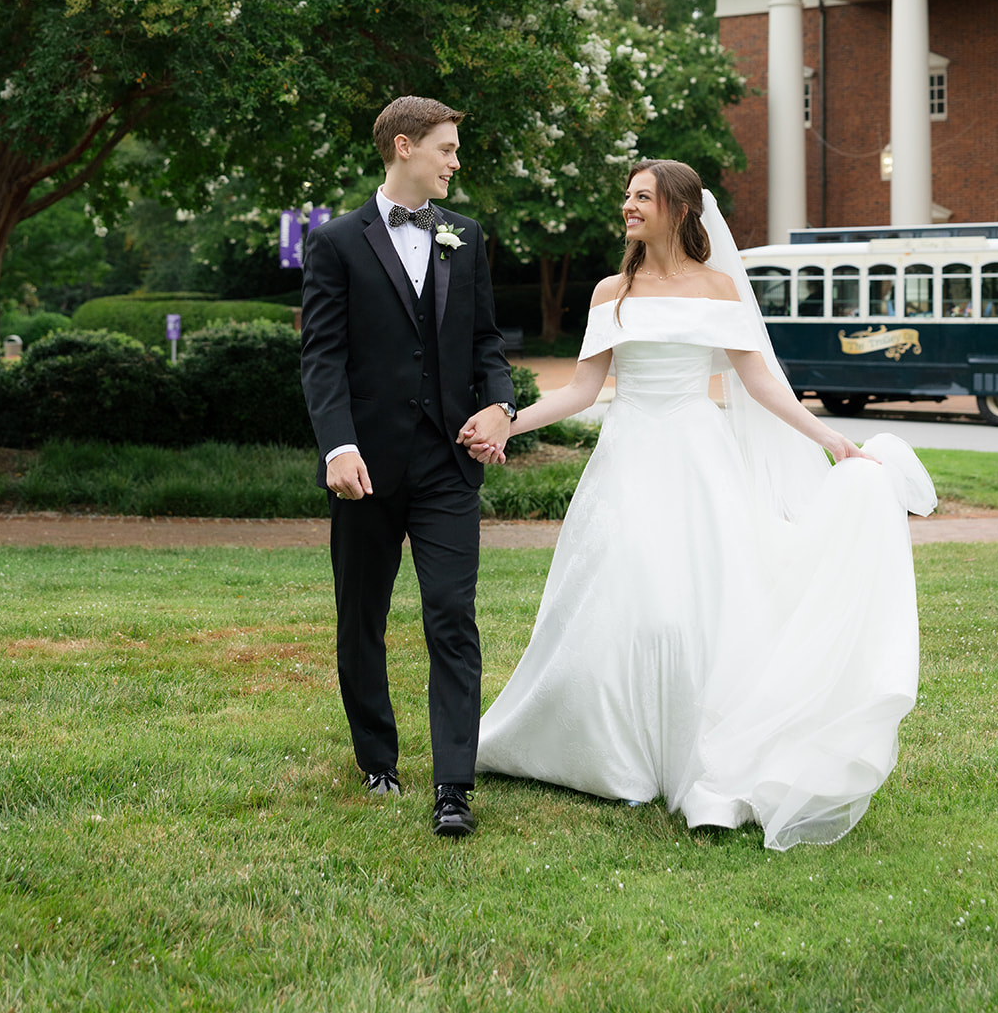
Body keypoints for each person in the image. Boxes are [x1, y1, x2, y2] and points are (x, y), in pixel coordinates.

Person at [467, 161, 936, 852]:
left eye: (642, 197)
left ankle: (694, 759)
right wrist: (510, 423)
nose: (628, 206)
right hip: (627, 458)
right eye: (627, 196)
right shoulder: (610, 292)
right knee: (624, 600)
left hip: (697, 456)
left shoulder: (719, 289)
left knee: (695, 604)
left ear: (681, 210)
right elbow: (581, 391)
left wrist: (831, 439)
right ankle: (615, 759)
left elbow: (763, 385)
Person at [300, 96, 516, 838]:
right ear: (403, 146)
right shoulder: (335, 242)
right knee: (361, 614)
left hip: (447, 462)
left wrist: (501, 406)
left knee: (451, 613)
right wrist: (338, 445)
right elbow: (322, 356)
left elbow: (486, 342)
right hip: (365, 465)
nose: (455, 161)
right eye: (446, 148)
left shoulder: (466, 236)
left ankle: (453, 784)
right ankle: (377, 760)